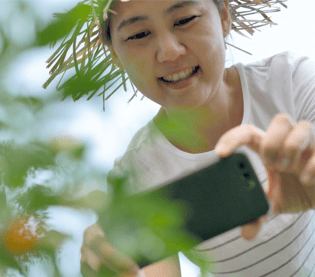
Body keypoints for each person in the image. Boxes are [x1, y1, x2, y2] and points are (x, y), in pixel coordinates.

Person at [46, 0, 315, 276]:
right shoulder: (136, 174)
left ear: (223, 17)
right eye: (139, 34)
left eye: (185, 19)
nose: (170, 51)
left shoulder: (292, 81)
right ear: (116, 55)